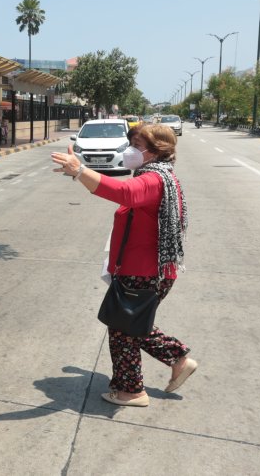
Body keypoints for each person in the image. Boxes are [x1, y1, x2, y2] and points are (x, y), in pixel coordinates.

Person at [51, 122, 197, 407]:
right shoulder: (159, 175)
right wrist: (81, 172)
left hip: (143, 271)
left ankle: (133, 390)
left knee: (123, 329)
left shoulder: (154, 179)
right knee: (128, 325)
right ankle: (175, 360)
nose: (130, 150)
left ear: (156, 151)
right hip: (148, 269)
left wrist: (80, 171)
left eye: (137, 146)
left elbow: (124, 193)